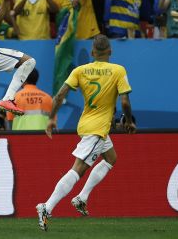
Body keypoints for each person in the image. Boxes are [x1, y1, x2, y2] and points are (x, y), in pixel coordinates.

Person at [36, 35, 135, 230]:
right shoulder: (118, 70)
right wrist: (129, 122)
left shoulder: (80, 70)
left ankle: (82, 197)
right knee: (78, 169)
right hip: (97, 130)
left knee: (111, 158)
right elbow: (124, 102)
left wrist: (51, 119)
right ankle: (47, 207)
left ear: (92, 53)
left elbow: (60, 95)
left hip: (87, 124)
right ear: (111, 51)